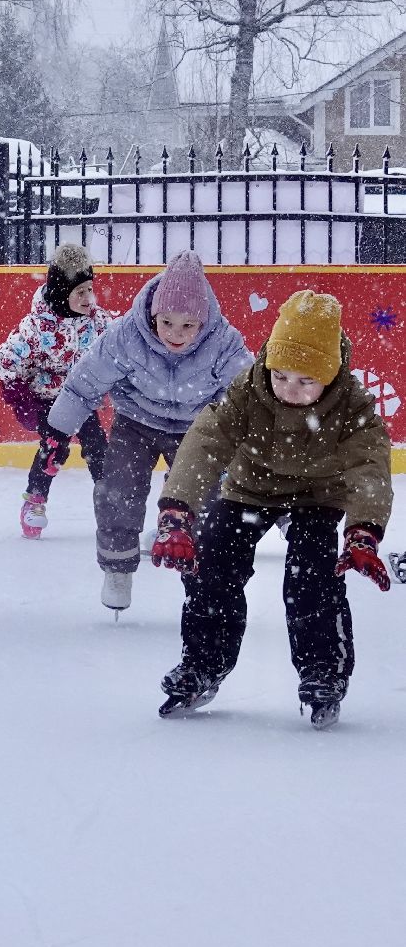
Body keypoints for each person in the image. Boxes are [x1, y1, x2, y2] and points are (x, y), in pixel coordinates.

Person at [150, 291, 393, 729]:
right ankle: (203, 664)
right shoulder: (248, 389)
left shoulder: (353, 404)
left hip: (317, 495)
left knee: (313, 574)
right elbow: (206, 443)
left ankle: (323, 672)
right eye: (280, 376)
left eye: (305, 381)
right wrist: (177, 511)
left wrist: (363, 531)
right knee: (213, 560)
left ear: (330, 375)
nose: (289, 390)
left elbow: (369, 467)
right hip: (251, 488)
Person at [45, 250, 251, 613]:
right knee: (118, 490)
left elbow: (247, 395)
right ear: (154, 314)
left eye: (188, 325)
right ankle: (118, 567)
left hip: (196, 427)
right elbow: (85, 382)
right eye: (166, 322)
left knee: (205, 498)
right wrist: (58, 430)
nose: (175, 334)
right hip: (135, 422)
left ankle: (200, 573)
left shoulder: (223, 342)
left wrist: (251, 437)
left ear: (203, 321)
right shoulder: (127, 334)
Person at [0, 243, 112, 538]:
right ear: (62, 293)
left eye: (89, 289)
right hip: (49, 401)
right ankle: (34, 501)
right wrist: (22, 401)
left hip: (83, 399)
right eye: (79, 292)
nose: (88, 298)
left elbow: (119, 345)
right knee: (54, 450)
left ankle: (111, 504)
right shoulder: (36, 328)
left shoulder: (98, 322)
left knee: (99, 449)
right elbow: (6, 362)